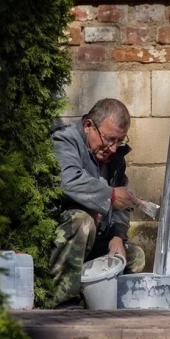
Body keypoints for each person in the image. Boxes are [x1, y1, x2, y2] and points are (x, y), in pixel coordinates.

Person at [49, 98, 146, 308]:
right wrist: (111, 196)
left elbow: (121, 205)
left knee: (136, 257)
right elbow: (68, 180)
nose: (113, 148)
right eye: (109, 139)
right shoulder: (65, 140)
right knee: (82, 220)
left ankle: (97, 301)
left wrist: (117, 236)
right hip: (65, 239)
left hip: (98, 240)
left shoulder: (116, 158)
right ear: (88, 126)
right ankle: (63, 302)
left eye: (119, 141)